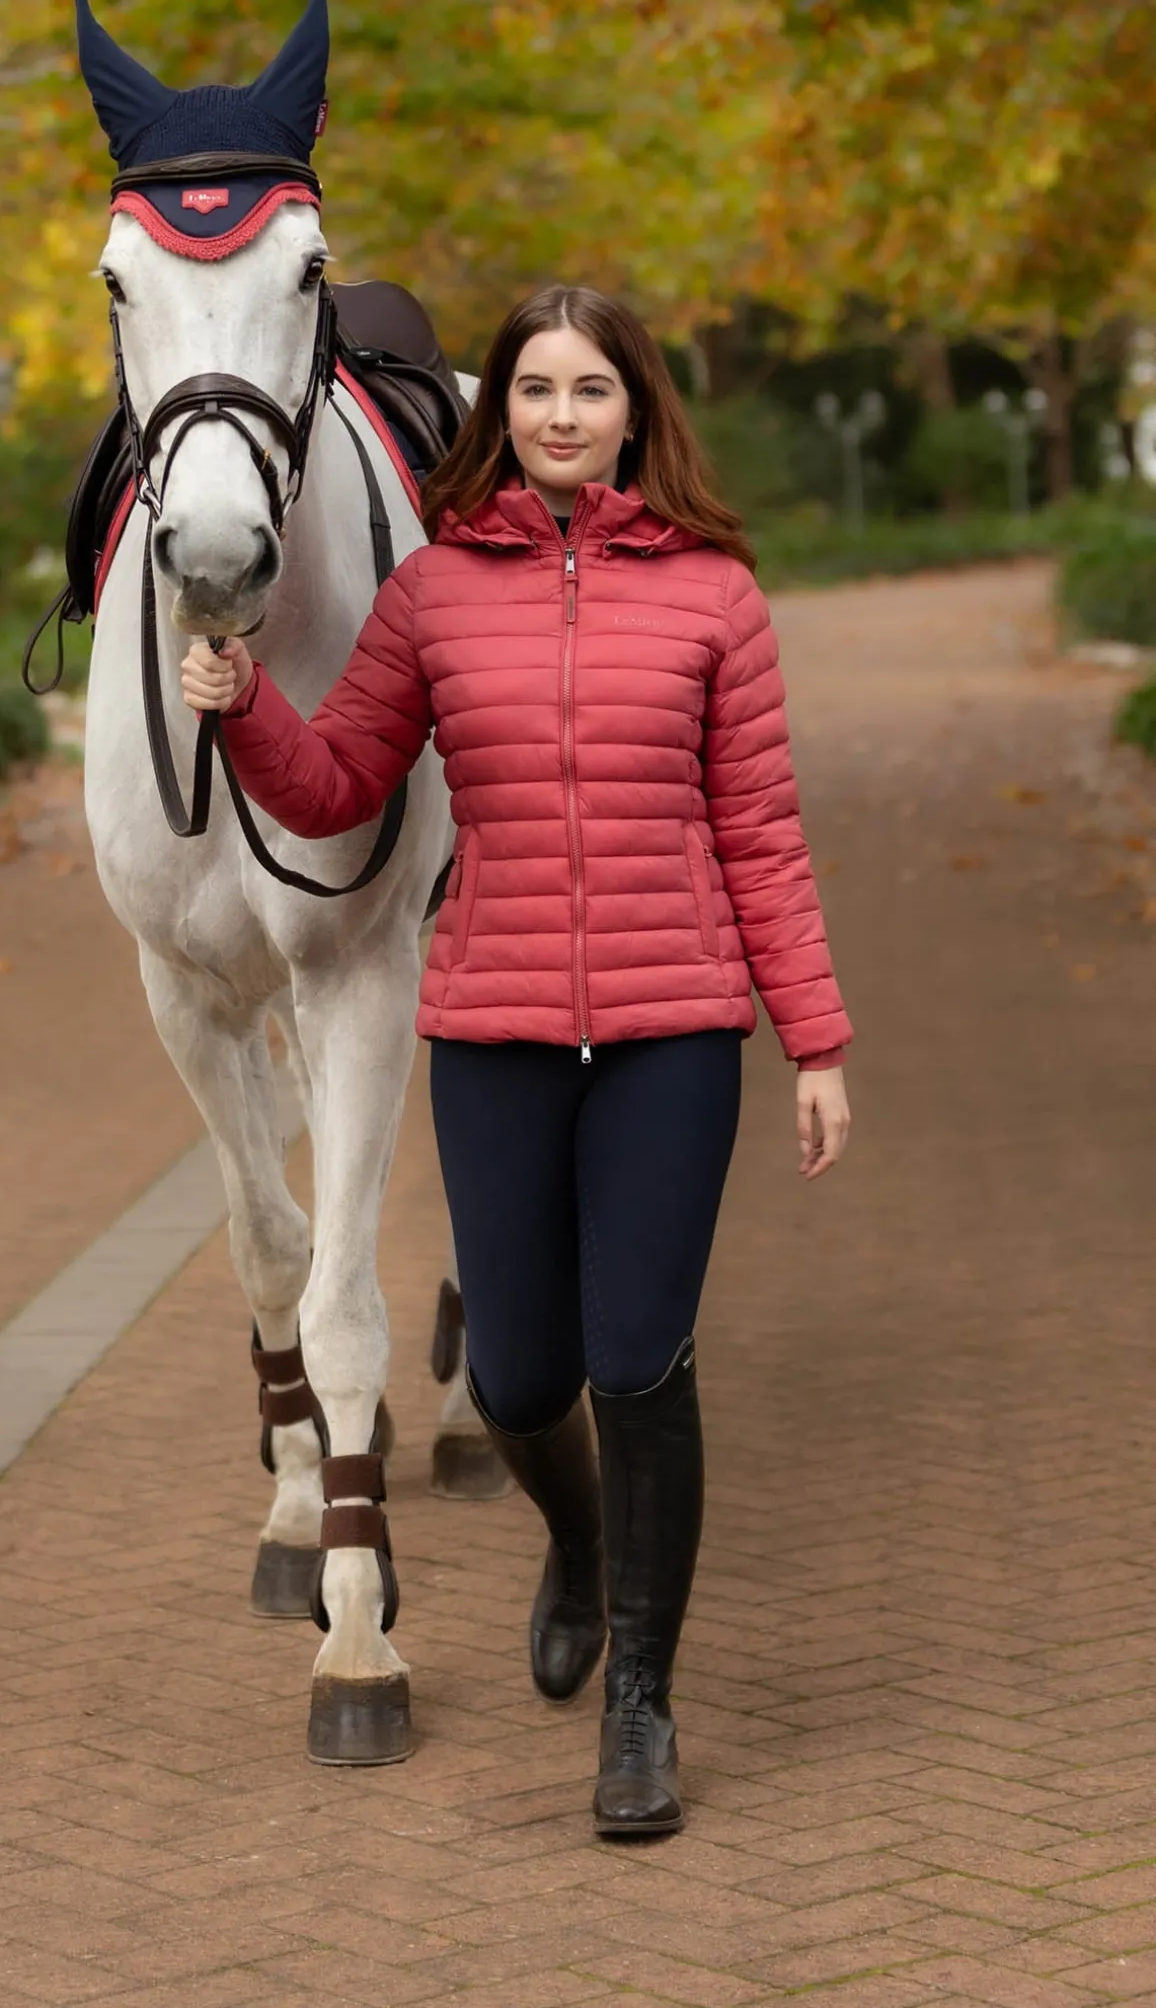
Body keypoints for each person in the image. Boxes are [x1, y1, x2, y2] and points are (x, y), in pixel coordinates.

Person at [182, 284, 852, 1836]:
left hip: (674, 1029)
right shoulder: (434, 595)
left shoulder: (712, 593)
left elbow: (761, 831)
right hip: (494, 1030)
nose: (562, 413)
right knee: (523, 1369)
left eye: (591, 389)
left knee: (639, 1358)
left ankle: (641, 1708)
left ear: (635, 411)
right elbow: (344, 774)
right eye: (537, 387)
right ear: (506, 411)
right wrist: (240, 712)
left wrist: (813, 1037)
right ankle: (578, 1539)